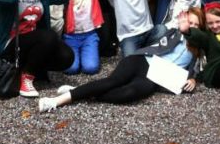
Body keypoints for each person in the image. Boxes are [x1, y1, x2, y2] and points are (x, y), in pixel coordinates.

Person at [37, 16, 196, 111]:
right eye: (190, 22)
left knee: (128, 94)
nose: (192, 27)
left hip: (157, 77)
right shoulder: (175, 33)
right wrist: (181, 26)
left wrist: (193, 79)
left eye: (196, 24)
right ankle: (56, 101)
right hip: (143, 60)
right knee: (113, 82)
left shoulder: (199, 49)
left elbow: (199, 69)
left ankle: (82, 92)